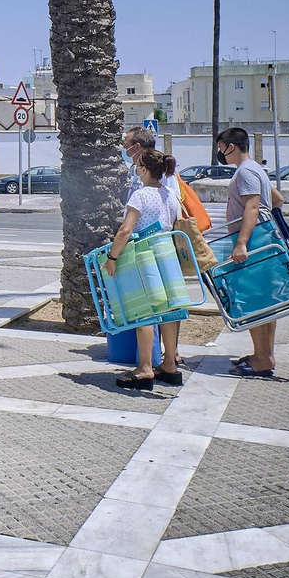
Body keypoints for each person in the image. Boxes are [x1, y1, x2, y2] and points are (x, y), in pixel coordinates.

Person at [105, 149, 186, 388]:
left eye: (137, 165)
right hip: (167, 255)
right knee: (169, 311)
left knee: (145, 312)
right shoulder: (171, 194)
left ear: (143, 169)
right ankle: (169, 364)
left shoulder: (140, 195)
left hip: (145, 257)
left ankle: (144, 368)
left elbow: (125, 230)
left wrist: (112, 257)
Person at [216, 127, 285, 377]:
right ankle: (264, 354)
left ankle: (262, 360)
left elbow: (252, 207)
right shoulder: (256, 169)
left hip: (253, 241)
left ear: (231, 147)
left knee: (254, 301)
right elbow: (278, 199)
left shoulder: (245, 171)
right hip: (263, 238)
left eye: (221, 148)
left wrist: (241, 242)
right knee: (265, 301)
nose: (220, 153)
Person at [122, 126, 156, 197]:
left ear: (137, 147)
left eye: (125, 147)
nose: (124, 150)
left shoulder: (163, 172)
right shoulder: (134, 170)